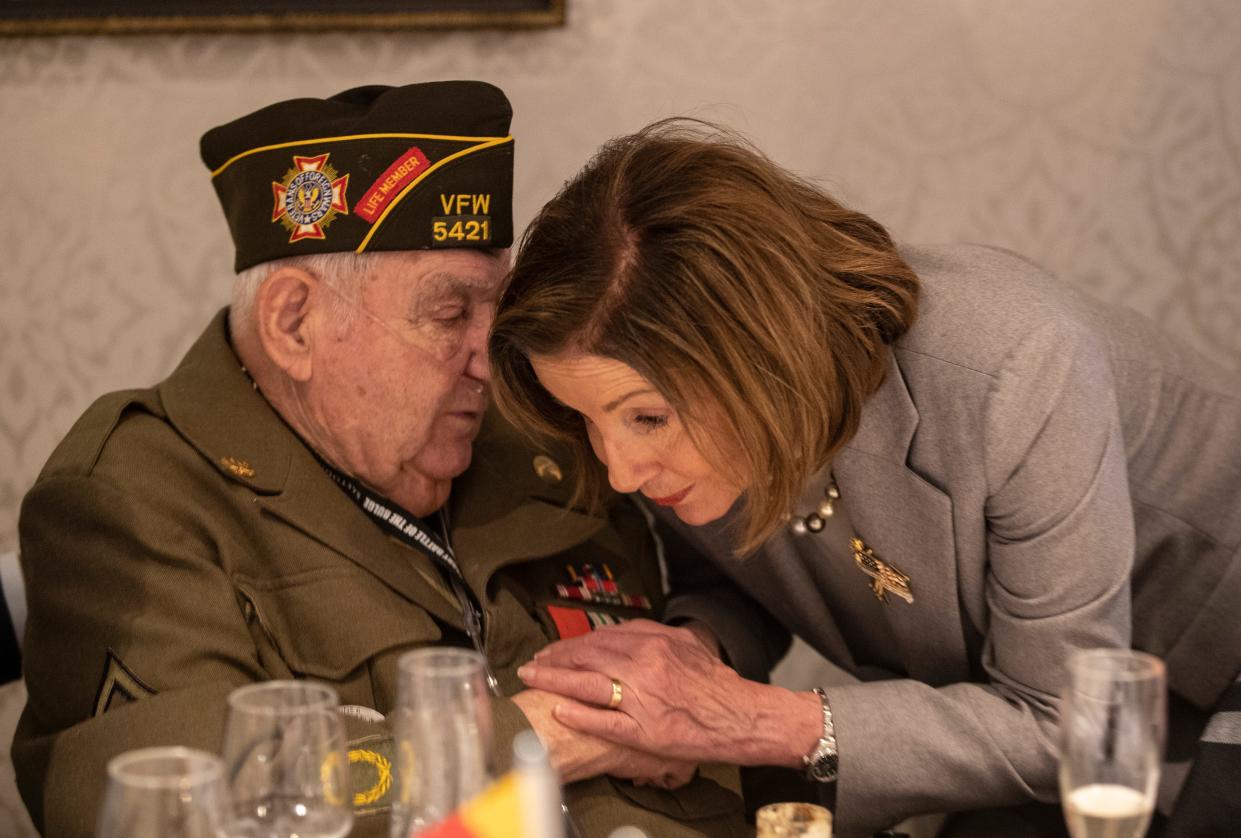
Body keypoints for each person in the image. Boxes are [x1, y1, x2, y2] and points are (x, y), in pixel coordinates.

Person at [13, 86, 749, 838]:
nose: (492, 363)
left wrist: (698, 658)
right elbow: (171, 808)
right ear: (294, 323)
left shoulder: (545, 441)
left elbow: (730, 591)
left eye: (499, 311)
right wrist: (535, 736)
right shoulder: (136, 496)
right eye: (450, 314)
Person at [488, 119, 1241, 837]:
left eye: (645, 419)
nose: (619, 471)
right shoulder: (677, 428)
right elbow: (735, 579)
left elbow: (1061, 724)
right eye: (588, 420)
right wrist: (687, 664)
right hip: (1030, 733)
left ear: (758, 354)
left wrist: (747, 720)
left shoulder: (1017, 366)